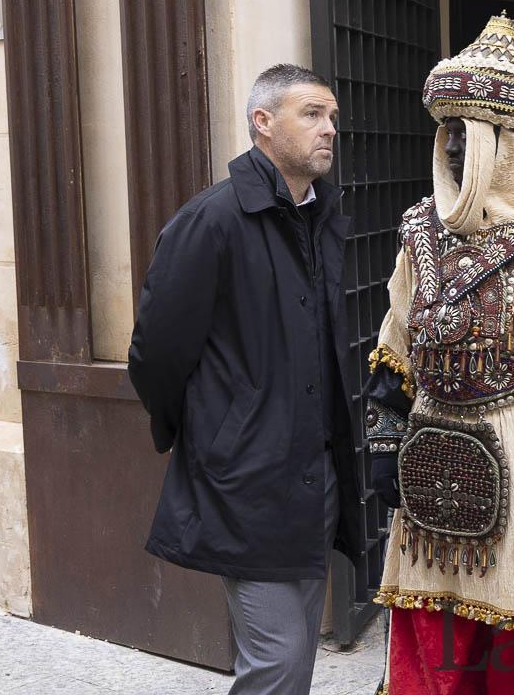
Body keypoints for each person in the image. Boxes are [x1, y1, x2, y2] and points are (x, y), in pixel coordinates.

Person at [364, 13, 514, 695]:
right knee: (431, 636)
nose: (449, 147)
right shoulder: (420, 229)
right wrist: (384, 439)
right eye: (445, 131)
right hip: (428, 453)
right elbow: (394, 340)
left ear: (507, 143)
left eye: (463, 133)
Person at [128, 64, 360, 694]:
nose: (329, 129)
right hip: (247, 477)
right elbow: (155, 354)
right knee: (278, 661)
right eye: (311, 114)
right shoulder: (212, 219)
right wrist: (213, 435)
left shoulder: (321, 214)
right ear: (263, 122)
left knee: (296, 656)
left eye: (332, 117)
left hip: (315, 473)